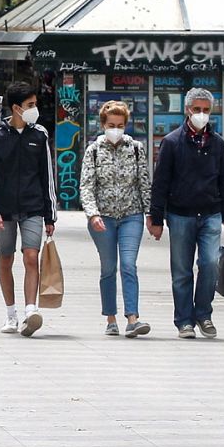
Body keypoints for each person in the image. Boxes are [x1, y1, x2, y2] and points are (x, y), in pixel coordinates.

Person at [149, 87, 224, 339]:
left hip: (210, 214)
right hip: (180, 214)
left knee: (210, 264)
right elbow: (161, 182)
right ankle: (184, 320)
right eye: (197, 109)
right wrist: (156, 218)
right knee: (182, 270)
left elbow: (223, 182)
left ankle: (203, 314)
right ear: (187, 110)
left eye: (206, 110)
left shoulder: (218, 144)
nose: (201, 114)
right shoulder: (172, 142)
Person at [0, 82, 57, 337]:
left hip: (33, 207)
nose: (35, 109)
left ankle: (30, 311)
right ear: (16, 108)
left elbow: (48, 176)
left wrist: (50, 214)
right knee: (5, 258)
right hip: (3, 210)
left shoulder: (40, 135)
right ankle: (11, 314)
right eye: (30, 105)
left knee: (30, 256)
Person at [79, 101, 151, 338]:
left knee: (129, 265)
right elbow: (86, 187)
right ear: (102, 125)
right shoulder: (94, 150)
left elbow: (144, 183)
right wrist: (93, 214)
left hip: (131, 214)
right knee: (109, 268)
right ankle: (110, 318)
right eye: (111, 125)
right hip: (103, 218)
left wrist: (150, 214)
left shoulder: (137, 148)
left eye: (120, 125)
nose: (116, 129)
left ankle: (133, 318)